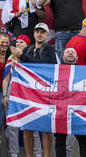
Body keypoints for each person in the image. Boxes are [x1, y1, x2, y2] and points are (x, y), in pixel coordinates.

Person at [10, 23, 56, 157]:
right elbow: (25, 67)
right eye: (37, 31)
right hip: (29, 93)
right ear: (34, 34)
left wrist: (22, 56)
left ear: (47, 35)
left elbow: (44, 66)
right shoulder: (29, 49)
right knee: (27, 127)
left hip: (44, 93)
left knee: (46, 129)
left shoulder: (49, 49)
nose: (39, 34)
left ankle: (46, 155)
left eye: (43, 32)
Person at [2, 34, 43, 157]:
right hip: (12, 95)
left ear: (27, 45)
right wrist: (4, 96)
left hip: (29, 96)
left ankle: (38, 153)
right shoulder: (10, 59)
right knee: (12, 127)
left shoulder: (31, 59)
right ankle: (13, 153)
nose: (18, 44)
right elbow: (5, 80)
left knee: (32, 126)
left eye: (22, 42)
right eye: (17, 42)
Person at [54, 47, 86, 157]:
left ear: (77, 57)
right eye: (67, 51)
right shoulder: (55, 71)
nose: (70, 53)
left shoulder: (85, 71)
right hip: (61, 112)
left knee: (84, 142)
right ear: (62, 57)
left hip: (80, 112)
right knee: (60, 142)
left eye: (73, 52)